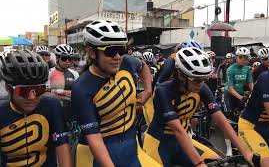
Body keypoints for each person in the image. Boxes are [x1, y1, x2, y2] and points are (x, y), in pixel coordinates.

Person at [143, 47, 253, 167]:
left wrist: (246, 152)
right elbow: (177, 129)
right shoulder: (163, 90)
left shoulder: (201, 87)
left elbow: (221, 121)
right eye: (196, 80)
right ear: (180, 75)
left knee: (219, 162)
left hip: (184, 142)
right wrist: (199, 163)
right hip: (159, 143)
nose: (201, 84)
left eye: (204, 79)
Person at [71, 20, 159, 167]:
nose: (117, 56)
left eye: (121, 49)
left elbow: (143, 66)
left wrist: (148, 90)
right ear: (92, 52)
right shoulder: (82, 88)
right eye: (110, 51)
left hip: (131, 152)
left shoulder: (126, 62)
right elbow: (94, 139)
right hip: (95, 157)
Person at [0, 50, 72, 167]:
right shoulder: (1, 112)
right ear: (9, 88)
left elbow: (62, 145)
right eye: (24, 91)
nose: (32, 97)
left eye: (39, 90)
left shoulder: (51, 106)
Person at [224, 47, 253, 113]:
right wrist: (241, 98)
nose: (243, 59)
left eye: (245, 57)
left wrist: (254, 94)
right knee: (230, 114)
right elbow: (230, 88)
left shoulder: (247, 69)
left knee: (242, 113)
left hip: (240, 93)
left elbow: (250, 83)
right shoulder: (230, 69)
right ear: (236, 58)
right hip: (230, 94)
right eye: (240, 57)